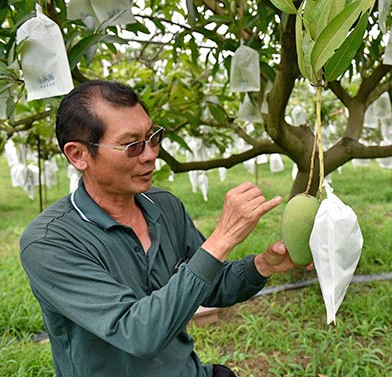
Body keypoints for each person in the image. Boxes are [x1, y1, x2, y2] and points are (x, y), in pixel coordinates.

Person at [20, 80, 298, 377]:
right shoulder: (49, 243)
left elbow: (209, 284)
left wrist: (262, 266)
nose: (151, 154)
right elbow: (138, 334)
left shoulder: (163, 206)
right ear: (78, 155)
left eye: (152, 137)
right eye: (132, 145)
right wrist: (222, 239)